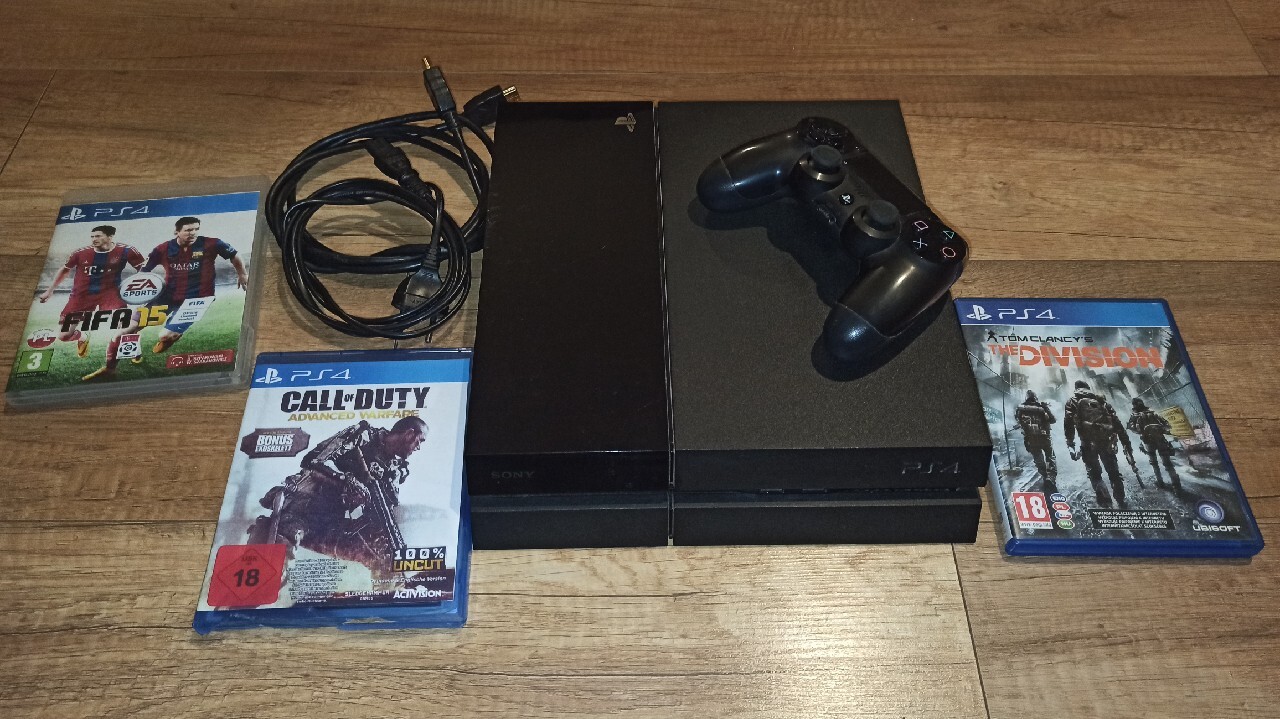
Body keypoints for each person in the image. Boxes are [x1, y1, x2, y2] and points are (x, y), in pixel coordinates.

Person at [248, 417, 427, 577]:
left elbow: (383, 509)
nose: (418, 447)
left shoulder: (396, 469)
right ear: (409, 434)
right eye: (420, 441)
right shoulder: (363, 435)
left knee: (383, 556)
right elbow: (313, 461)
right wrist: (346, 480)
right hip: (304, 509)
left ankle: (387, 594)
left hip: (332, 524)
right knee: (273, 564)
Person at [86, 216, 249, 378]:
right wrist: (139, 293)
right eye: (188, 230)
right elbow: (144, 271)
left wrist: (242, 274)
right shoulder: (162, 249)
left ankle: (170, 337)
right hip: (166, 297)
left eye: (196, 229)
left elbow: (234, 255)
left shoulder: (212, 243)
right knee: (124, 330)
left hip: (197, 299)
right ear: (176, 232)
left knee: (166, 335)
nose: (193, 233)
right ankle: (110, 369)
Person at [38, 225, 144, 364]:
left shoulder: (126, 251)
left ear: (110, 237)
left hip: (110, 294)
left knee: (126, 326)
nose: (94, 239)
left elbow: (144, 269)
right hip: (82, 296)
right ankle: (82, 337)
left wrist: (142, 287)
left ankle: (134, 350)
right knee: (64, 336)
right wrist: (49, 290)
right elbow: (65, 270)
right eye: (92, 236)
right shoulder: (80, 253)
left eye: (98, 236)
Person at [1063, 379, 1134, 507]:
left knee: (1094, 474)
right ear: (1088, 388)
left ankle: (1105, 501)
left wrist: (1070, 443)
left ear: (1076, 389)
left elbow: (1068, 423)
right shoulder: (1101, 401)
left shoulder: (1072, 401)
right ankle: (1120, 499)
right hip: (1107, 441)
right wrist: (1126, 443)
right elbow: (1116, 423)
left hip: (1087, 443)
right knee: (1114, 472)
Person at [1127, 398, 1182, 492]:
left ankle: (1160, 482)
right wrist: (1161, 430)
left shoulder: (1135, 415)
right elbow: (1167, 425)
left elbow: (1132, 428)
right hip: (1160, 439)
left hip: (1148, 441)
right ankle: (1176, 485)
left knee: (1154, 463)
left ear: (1134, 405)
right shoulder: (1152, 412)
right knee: (1167, 463)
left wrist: (1142, 431)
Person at [1014, 390, 1058, 497]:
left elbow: (1018, 421)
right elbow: (1053, 420)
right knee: (1050, 456)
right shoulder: (1041, 407)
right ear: (1035, 397)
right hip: (1044, 437)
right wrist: (1046, 407)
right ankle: (1050, 477)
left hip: (1031, 438)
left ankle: (1045, 476)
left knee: (1038, 458)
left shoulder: (1021, 408)